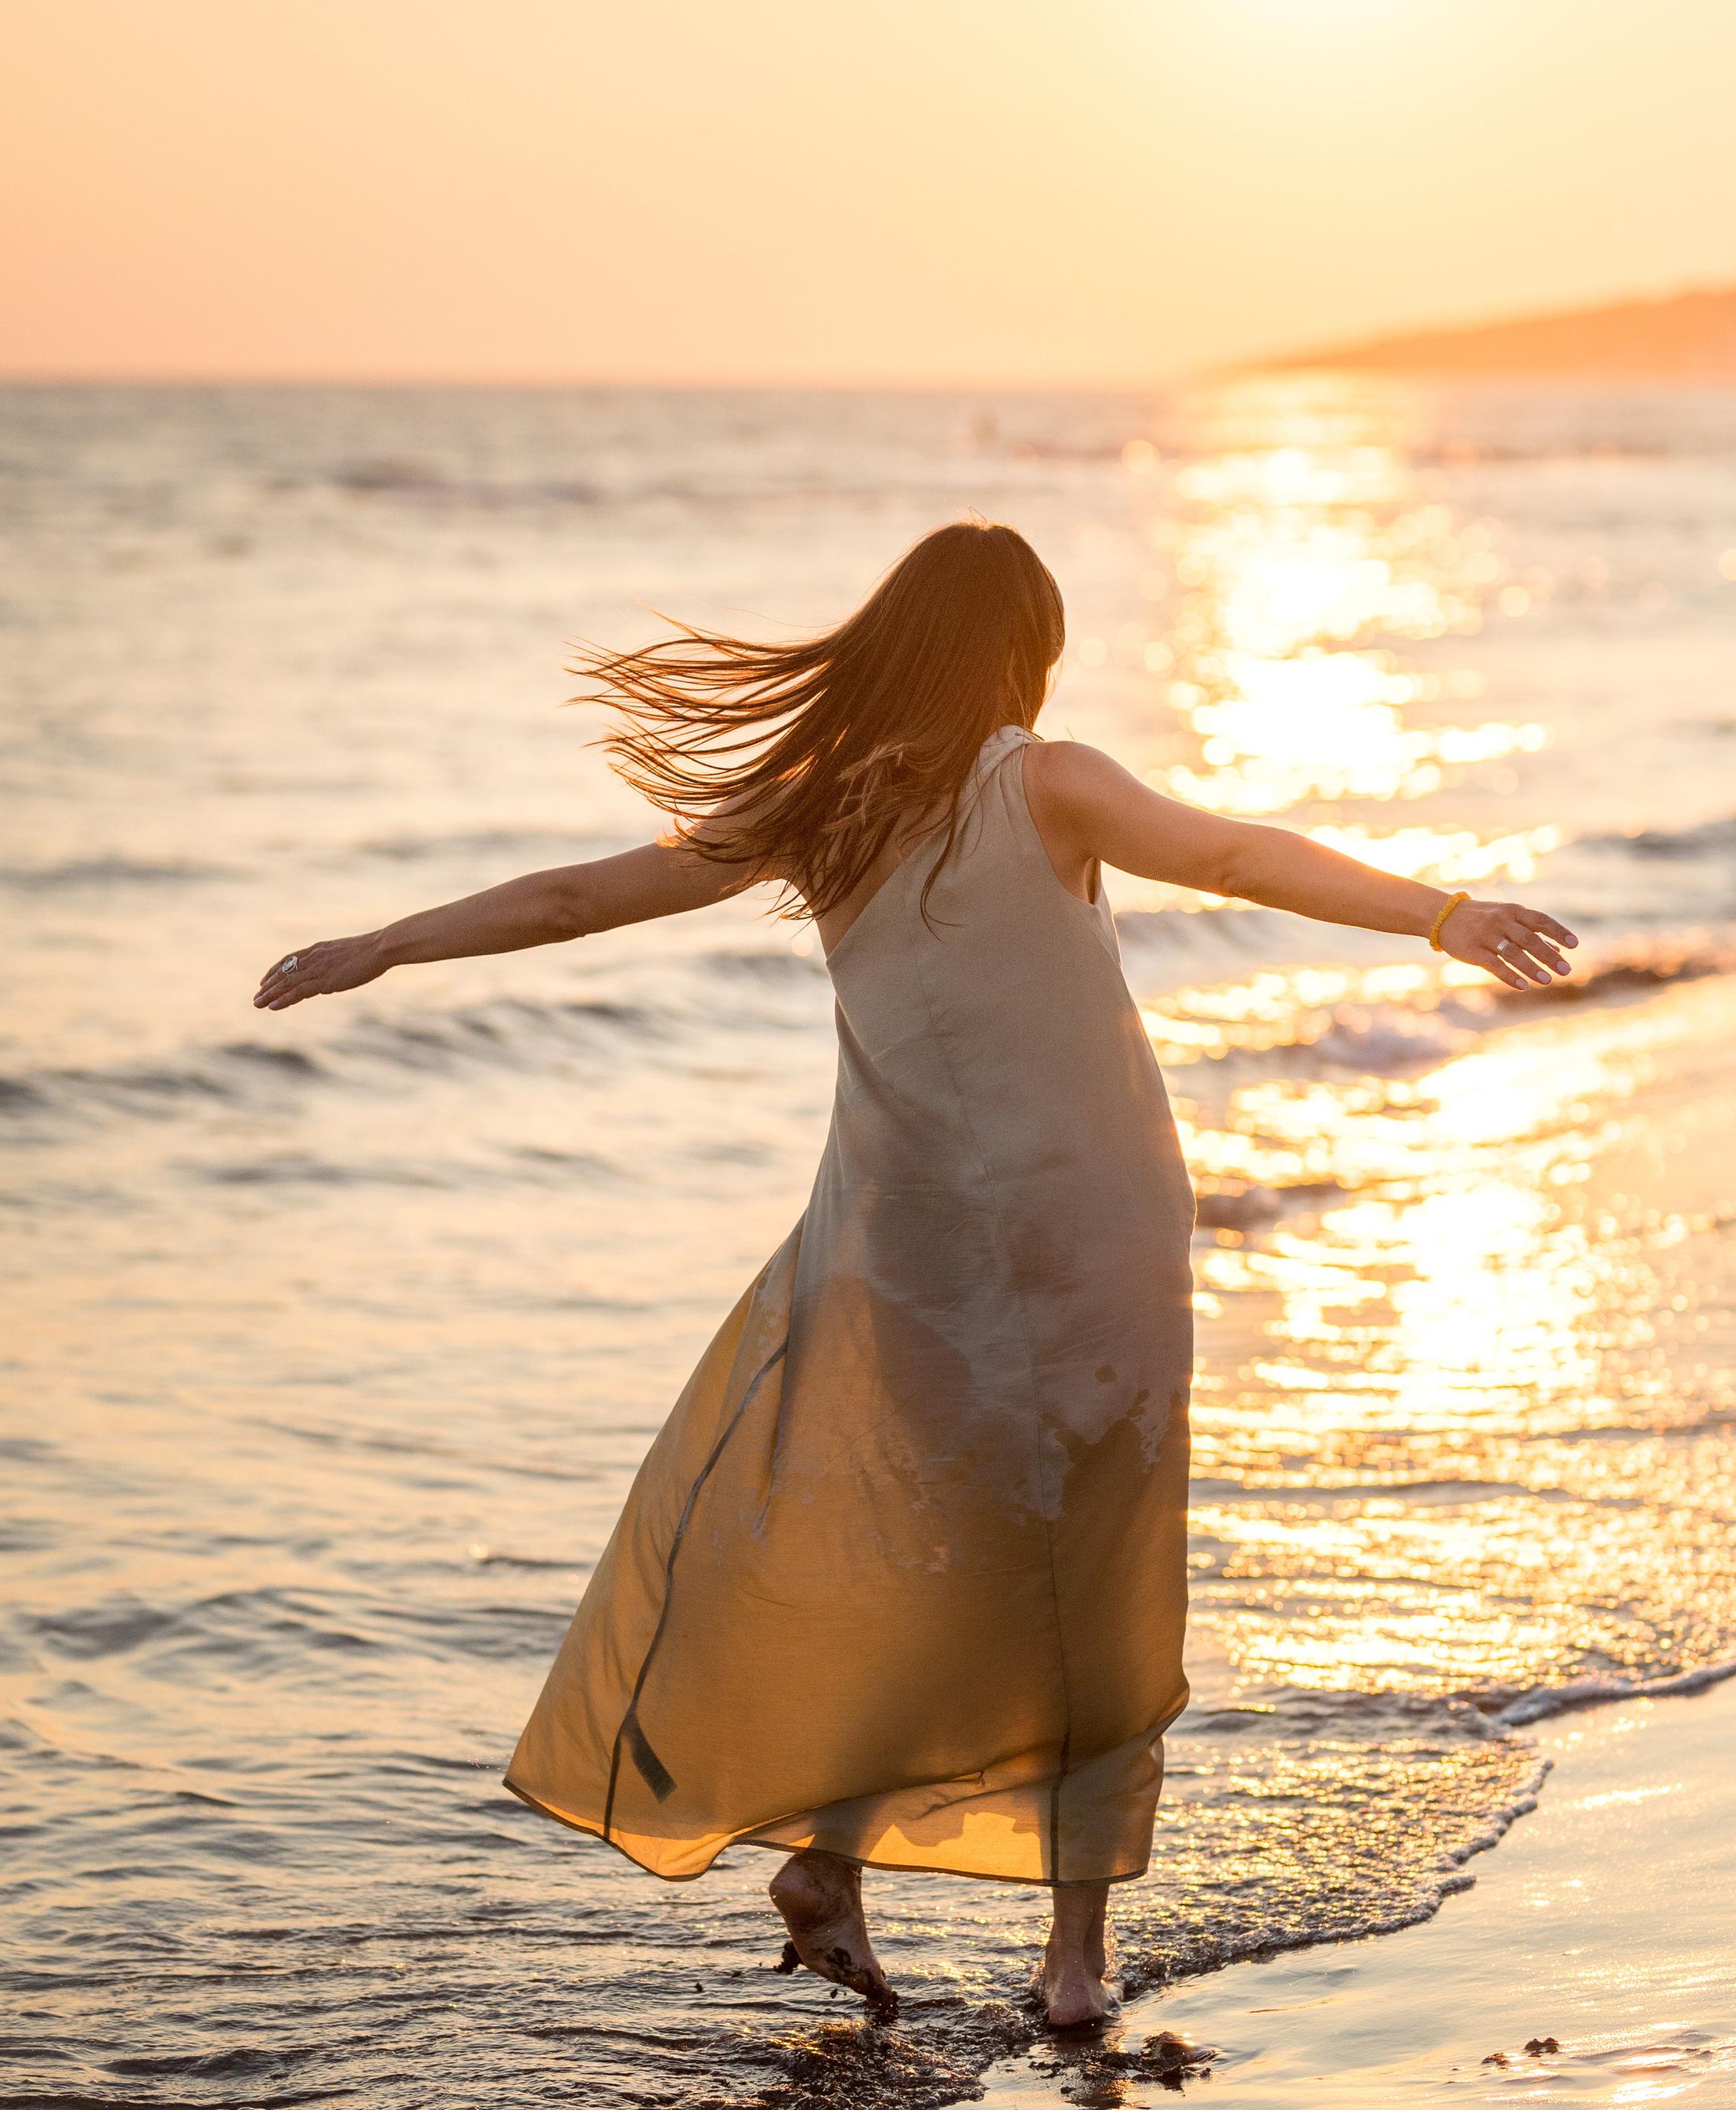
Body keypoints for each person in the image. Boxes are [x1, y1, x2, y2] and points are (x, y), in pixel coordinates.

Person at [254, 520, 1576, 2025]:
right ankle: (1072, 1961)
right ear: (1023, 654)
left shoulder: (820, 809)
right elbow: (1224, 852)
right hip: (1090, 1234)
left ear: (893, 645)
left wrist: (382, 944)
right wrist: (1442, 912)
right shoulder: (1050, 777)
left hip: (910, 1241)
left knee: (923, 1549)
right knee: (1092, 1567)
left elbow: (579, 900)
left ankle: (831, 1865)